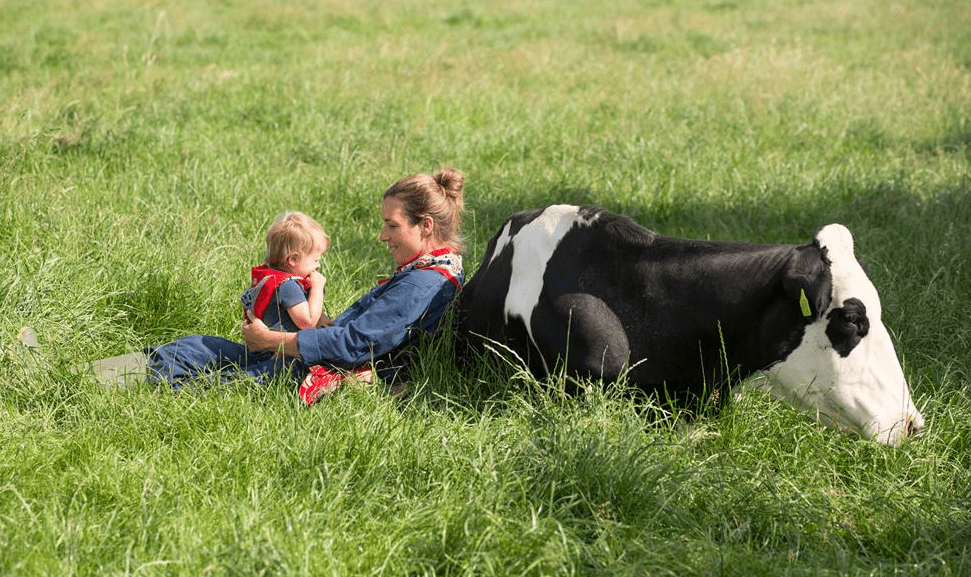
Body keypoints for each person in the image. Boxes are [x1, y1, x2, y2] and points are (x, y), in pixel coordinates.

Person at [97, 169, 466, 403]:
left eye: (392, 225)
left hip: (320, 371)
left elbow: (356, 344)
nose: (382, 235)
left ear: (426, 226)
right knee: (198, 347)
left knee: (218, 385)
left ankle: (93, 388)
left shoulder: (424, 282)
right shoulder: (425, 271)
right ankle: (91, 375)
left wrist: (271, 341)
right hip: (311, 355)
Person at [240, 211, 330, 333]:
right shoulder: (289, 286)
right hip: (281, 350)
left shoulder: (272, 277)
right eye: (315, 260)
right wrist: (317, 287)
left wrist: (321, 319)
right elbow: (307, 322)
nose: (318, 265)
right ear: (293, 260)